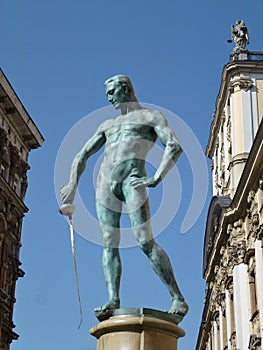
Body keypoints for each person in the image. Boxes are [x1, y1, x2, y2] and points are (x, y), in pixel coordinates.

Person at [60, 75, 188, 319]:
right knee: (109, 242)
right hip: (105, 184)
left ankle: (177, 297)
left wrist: (157, 176)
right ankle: (112, 299)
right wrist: (72, 185)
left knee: (143, 240)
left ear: (125, 89)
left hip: (133, 180)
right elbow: (82, 155)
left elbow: (173, 145)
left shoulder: (150, 117)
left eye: (111, 92)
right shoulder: (107, 125)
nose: (108, 98)